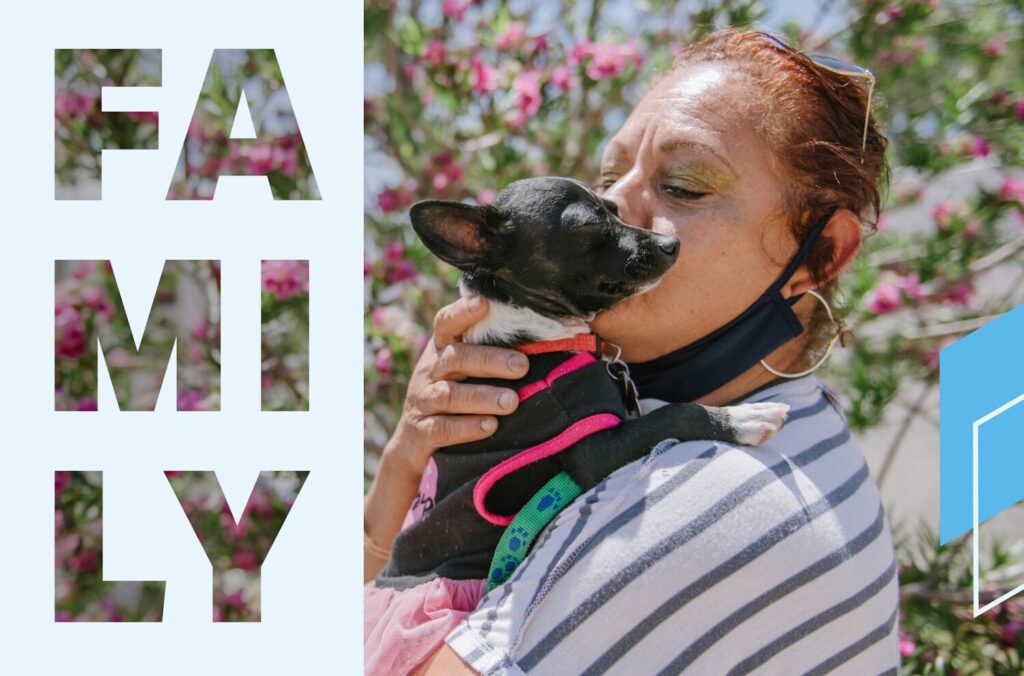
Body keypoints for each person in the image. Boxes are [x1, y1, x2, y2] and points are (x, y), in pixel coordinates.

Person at [364, 28, 900, 675]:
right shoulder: (788, 426)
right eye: (610, 177)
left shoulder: (703, 501)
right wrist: (408, 459)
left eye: (685, 185)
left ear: (818, 255)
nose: (611, 207)